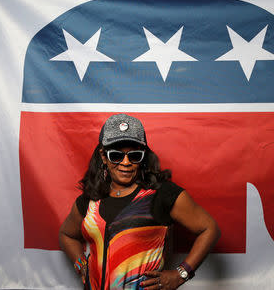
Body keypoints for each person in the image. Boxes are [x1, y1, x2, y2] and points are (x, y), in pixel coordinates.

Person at [59, 114, 220, 290]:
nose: (126, 162)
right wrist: (80, 263)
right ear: (103, 157)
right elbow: (67, 234)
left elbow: (209, 228)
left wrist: (181, 274)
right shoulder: (90, 200)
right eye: (116, 156)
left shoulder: (161, 194)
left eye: (134, 155)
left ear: (143, 157)